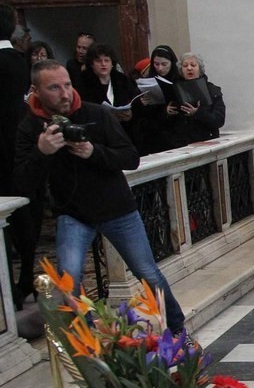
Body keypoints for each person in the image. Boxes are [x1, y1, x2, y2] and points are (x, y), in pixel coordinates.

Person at [13, 60, 187, 335]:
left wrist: (94, 152)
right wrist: (42, 152)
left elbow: (130, 157)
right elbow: (23, 182)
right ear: (36, 90)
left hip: (116, 208)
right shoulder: (30, 127)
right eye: (54, 87)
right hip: (72, 213)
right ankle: (90, 340)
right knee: (69, 281)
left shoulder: (96, 113)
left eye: (67, 84)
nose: (65, 93)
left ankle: (178, 330)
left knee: (148, 272)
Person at [1, 5, 36, 310]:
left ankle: (18, 284)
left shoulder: (10, 62)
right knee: (24, 220)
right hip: (20, 152)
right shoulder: (18, 61)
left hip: (6, 155)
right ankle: (24, 280)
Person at [170, 52, 226, 145]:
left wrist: (198, 112)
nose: (189, 68)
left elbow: (219, 120)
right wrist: (167, 112)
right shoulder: (174, 90)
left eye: (193, 65)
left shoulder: (212, 90)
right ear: (181, 70)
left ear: (200, 69)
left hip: (206, 141)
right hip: (181, 145)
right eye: (185, 65)